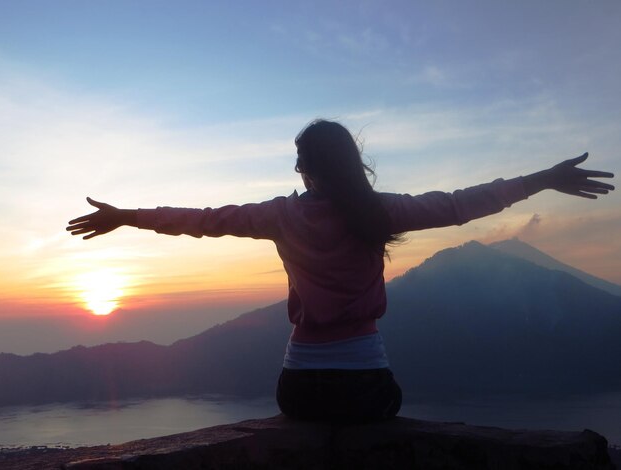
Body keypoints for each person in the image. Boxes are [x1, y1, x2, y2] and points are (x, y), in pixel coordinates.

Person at [66, 119, 615, 423]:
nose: (296, 168)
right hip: (366, 386)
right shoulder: (382, 212)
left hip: (297, 388)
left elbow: (202, 221)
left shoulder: (279, 215)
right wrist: (542, 178)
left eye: (301, 158)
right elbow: (461, 203)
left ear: (312, 166)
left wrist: (129, 217)